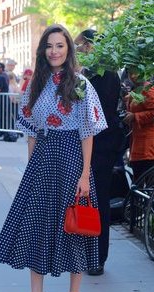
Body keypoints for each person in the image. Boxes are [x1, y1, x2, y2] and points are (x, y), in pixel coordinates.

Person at [0, 24, 107, 292]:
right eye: (49, 46)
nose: (54, 51)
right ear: (43, 50)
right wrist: (31, 167)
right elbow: (30, 131)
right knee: (35, 229)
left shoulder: (80, 83)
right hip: (42, 159)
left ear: (68, 50)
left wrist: (84, 174)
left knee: (75, 230)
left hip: (71, 160)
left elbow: (88, 132)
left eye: (60, 45)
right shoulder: (35, 84)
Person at [74, 29, 124, 275]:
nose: (78, 51)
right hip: (96, 144)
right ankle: (90, 254)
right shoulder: (93, 73)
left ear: (91, 46)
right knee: (90, 200)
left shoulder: (103, 74)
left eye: (80, 46)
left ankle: (97, 257)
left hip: (101, 146)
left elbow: (97, 115)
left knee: (98, 200)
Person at [124, 68, 154, 181]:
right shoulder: (137, 90)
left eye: (135, 72)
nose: (132, 76)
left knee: (145, 185)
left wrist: (135, 116)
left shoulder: (148, 90)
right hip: (138, 144)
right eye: (130, 73)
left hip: (148, 146)